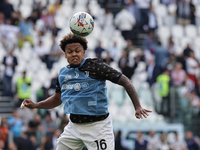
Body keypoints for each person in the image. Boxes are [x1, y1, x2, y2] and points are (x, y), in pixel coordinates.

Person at [21, 33, 151, 150]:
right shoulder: (63, 73)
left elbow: (125, 81)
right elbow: (56, 99)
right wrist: (37, 105)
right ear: (65, 54)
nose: (74, 54)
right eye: (69, 51)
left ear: (84, 52)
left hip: (98, 127)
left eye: (77, 51)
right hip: (74, 127)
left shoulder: (95, 66)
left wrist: (137, 106)